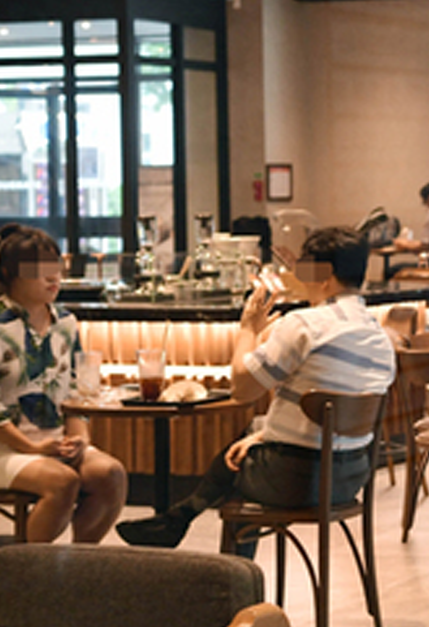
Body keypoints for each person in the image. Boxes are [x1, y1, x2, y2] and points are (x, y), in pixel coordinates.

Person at [116, 225, 396, 549]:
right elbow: (332, 410)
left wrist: (248, 330)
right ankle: (177, 523)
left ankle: (227, 580)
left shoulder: (305, 324)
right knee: (248, 443)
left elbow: (242, 391)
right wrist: (264, 435)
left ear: (325, 274)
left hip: (297, 480)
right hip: (350, 478)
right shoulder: (379, 334)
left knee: (237, 479)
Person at [0, 224, 126, 543]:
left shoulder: (66, 323)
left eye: (56, 269)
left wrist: (79, 438)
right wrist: (31, 447)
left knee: (111, 475)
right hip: (7, 448)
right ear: (8, 273)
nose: (53, 278)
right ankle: (29, 580)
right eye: (38, 271)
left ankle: (76, 571)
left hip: (54, 442)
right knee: (63, 482)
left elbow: (76, 391)